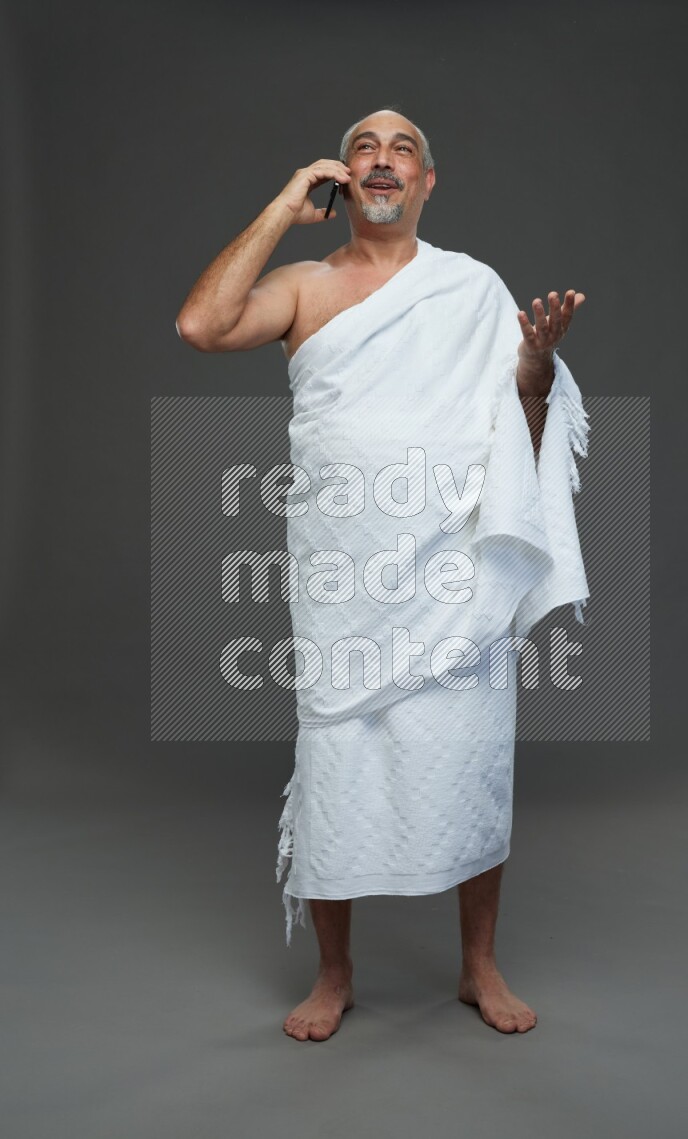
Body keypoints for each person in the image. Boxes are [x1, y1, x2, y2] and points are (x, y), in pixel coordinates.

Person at [176, 108, 588, 1042]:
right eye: (365, 145)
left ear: (427, 182)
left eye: (404, 147)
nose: (383, 158)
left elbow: (519, 443)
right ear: (341, 176)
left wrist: (533, 373)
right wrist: (283, 207)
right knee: (338, 764)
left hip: (456, 573)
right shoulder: (306, 287)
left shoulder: (474, 290)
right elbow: (202, 324)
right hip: (341, 577)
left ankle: (479, 964)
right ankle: (334, 973)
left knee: (473, 758)